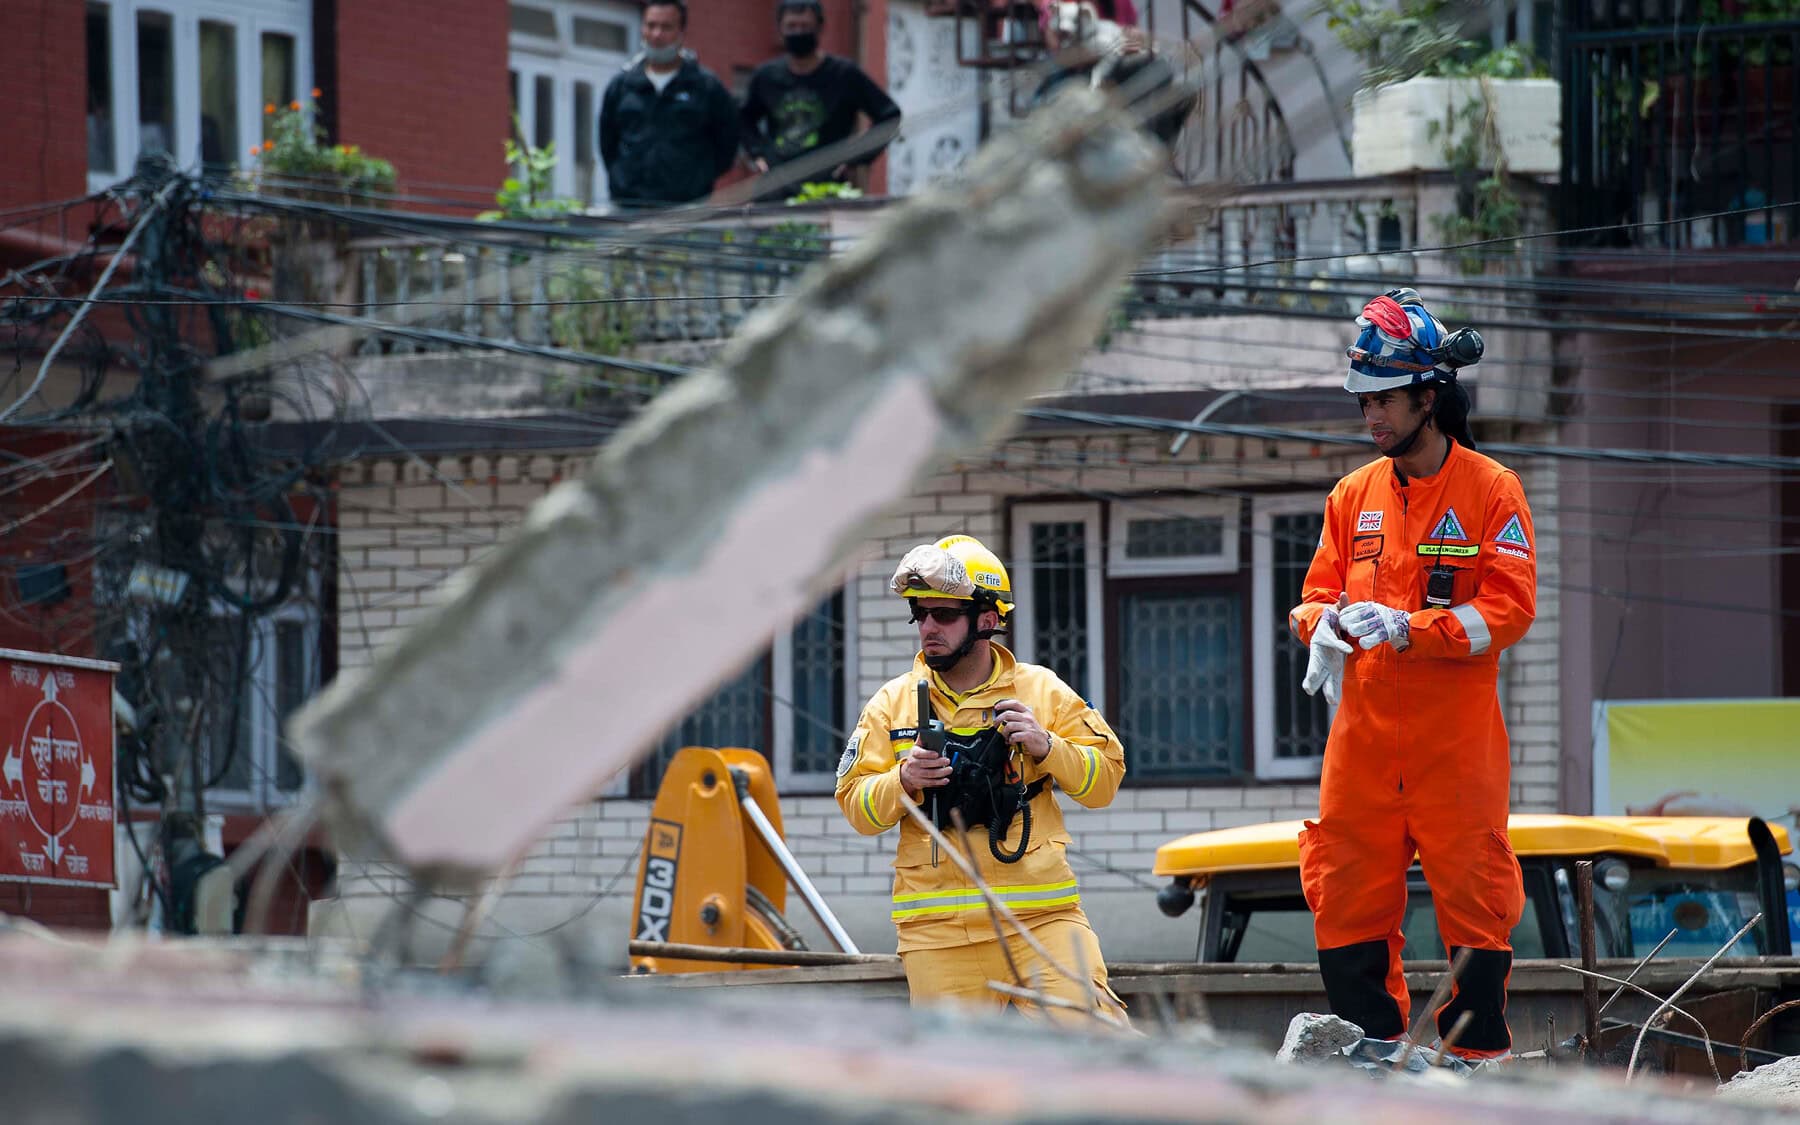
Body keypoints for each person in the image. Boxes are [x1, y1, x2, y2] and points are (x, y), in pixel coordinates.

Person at [1288, 288, 1537, 1062]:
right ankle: (1368, 1063)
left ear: (1430, 396)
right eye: (1364, 402)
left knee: (1475, 900)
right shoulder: (1350, 497)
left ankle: (1472, 1072)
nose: (1372, 417)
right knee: (1345, 897)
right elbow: (1315, 593)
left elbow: (1510, 607)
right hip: (1361, 744)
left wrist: (1413, 627)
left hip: (1454, 750)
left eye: (1385, 400)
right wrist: (1319, 625)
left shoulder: (1492, 490)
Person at [835, 534, 1127, 1023]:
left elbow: (1105, 783)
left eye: (944, 615)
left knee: (1097, 1043)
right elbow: (855, 806)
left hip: (1042, 922)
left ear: (987, 620)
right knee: (950, 1086)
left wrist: (1046, 746)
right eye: (920, 613)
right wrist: (901, 780)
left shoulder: (1042, 691)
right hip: (937, 935)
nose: (928, 626)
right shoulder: (893, 703)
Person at [739, 0, 901, 194]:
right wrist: (758, 154)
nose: (798, 32)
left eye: (805, 26)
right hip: (776, 190)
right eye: (791, 26)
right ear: (781, 29)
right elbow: (743, 120)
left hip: (829, 189)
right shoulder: (765, 77)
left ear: (819, 27)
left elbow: (889, 116)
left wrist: (857, 157)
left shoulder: (844, 75)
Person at [598, 1, 739, 208]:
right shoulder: (621, 86)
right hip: (628, 206)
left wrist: (696, 180)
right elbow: (607, 143)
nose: (657, 34)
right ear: (642, 28)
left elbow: (727, 146)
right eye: (651, 25)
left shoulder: (706, 87)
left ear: (682, 31)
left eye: (666, 27)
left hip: (688, 209)